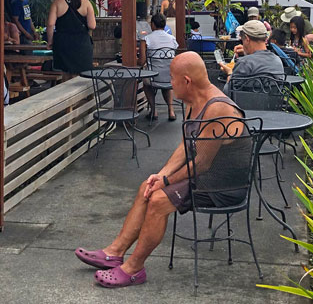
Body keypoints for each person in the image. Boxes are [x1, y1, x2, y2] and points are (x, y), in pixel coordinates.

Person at [74, 52, 249, 288]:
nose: (169, 83)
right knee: (148, 186)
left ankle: (134, 268)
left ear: (186, 81)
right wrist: (160, 175)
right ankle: (113, 252)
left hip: (223, 185)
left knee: (157, 201)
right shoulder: (194, 103)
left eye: (172, 78)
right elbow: (185, 148)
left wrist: (166, 183)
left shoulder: (217, 108)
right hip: (203, 177)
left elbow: (201, 163)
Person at [47, 0, 95, 74]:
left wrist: (50, 41)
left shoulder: (57, 3)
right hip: (82, 44)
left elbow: (51, 24)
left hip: (63, 43)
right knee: (82, 75)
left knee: (64, 74)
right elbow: (92, 25)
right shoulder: (86, 3)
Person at [137, 13, 179, 121]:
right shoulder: (172, 39)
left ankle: (154, 110)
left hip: (153, 78)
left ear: (153, 25)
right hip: (170, 78)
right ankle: (171, 111)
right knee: (166, 84)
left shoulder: (146, 39)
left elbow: (142, 61)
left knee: (146, 84)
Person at [220, 20, 285, 79]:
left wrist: (229, 73)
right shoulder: (277, 61)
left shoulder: (244, 63)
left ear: (247, 38)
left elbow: (229, 90)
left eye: (242, 40)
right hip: (272, 92)